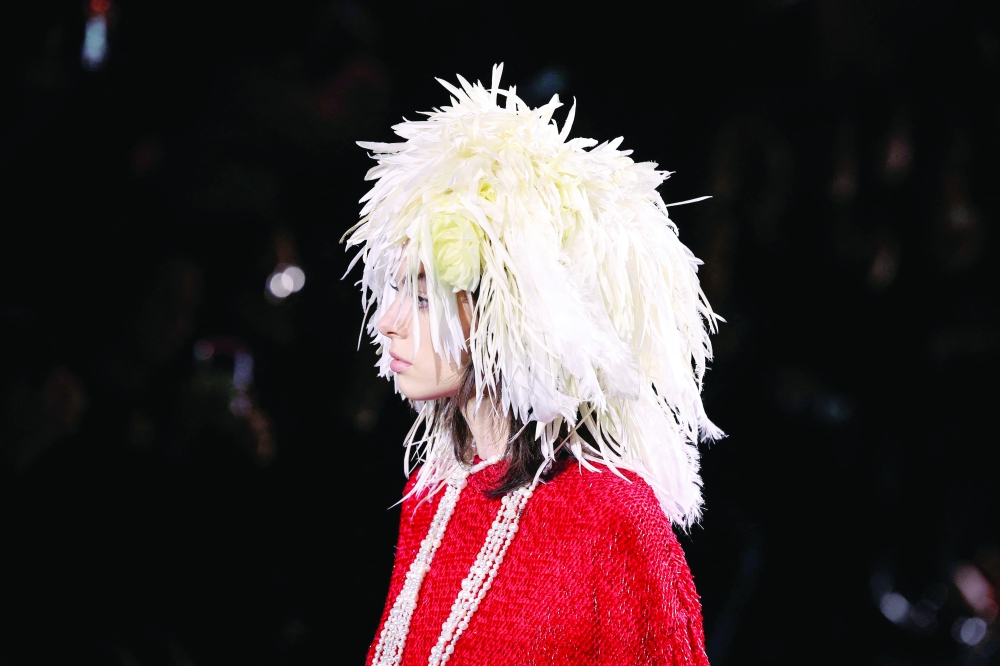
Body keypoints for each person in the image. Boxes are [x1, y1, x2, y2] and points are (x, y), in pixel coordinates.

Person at [345, 64, 720, 665]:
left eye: (422, 294)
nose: (386, 319)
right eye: (390, 289)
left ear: (506, 314)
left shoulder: (614, 520)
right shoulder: (430, 496)